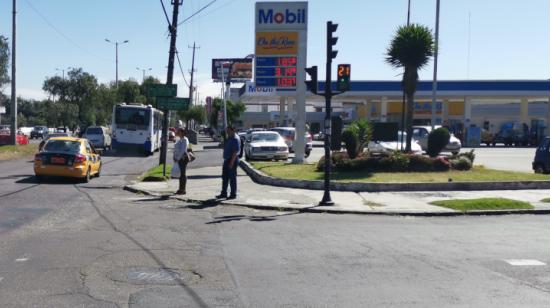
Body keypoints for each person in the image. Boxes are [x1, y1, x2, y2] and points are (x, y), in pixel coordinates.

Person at [216, 125, 240, 199]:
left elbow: (235, 152)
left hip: (232, 160)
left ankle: (233, 194)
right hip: (227, 160)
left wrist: (231, 163)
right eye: (227, 131)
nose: (227, 132)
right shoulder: (229, 138)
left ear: (233, 130)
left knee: (232, 178)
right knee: (225, 177)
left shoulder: (235, 139)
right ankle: (224, 193)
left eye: (229, 131)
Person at [173, 128, 189, 195]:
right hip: (179, 158)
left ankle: (183, 189)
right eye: (177, 131)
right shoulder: (180, 139)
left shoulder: (185, 140)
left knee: (183, 174)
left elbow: (183, 150)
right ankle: (180, 189)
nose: (177, 132)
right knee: (181, 174)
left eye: (178, 131)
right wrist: (175, 157)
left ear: (182, 132)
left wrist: (178, 158)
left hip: (183, 158)